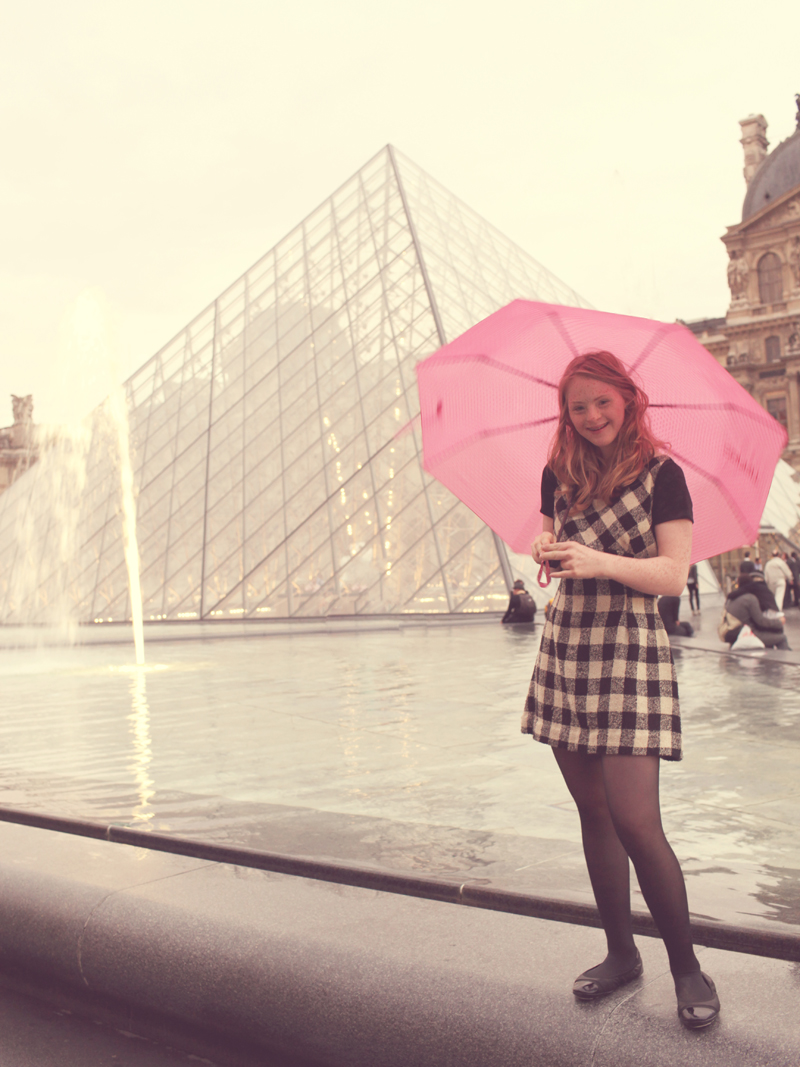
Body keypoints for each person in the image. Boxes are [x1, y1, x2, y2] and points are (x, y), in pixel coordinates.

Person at [521, 351, 720, 1030]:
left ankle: (687, 965)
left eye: (603, 402)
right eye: (579, 406)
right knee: (593, 813)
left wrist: (597, 560)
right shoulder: (559, 472)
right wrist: (546, 553)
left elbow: (671, 574)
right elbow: (550, 542)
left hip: (631, 651)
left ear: (628, 400)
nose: (592, 416)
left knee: (636, 818)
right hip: (569, 644)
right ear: (566, 413)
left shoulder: (665, 475)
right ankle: (619, 952)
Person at [725, 565, 790, 649]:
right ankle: (785, 660)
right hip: (749, 634)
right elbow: (760, 621)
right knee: (782, 638)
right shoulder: (750, 598)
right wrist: (779, 623)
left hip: (733, 635)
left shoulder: (731, 598)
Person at [763, 549, 792, 615]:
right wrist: (790, 578)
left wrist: (766, 581)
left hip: (771, 582)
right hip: (780, 581)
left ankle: (773, 609)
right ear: (779, 555)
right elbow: (787, 571)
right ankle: (778, 610)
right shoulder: (781, 562)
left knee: (773, 596)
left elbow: (766, 573)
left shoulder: (768, 563)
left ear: (772, 555)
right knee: (779, 596)